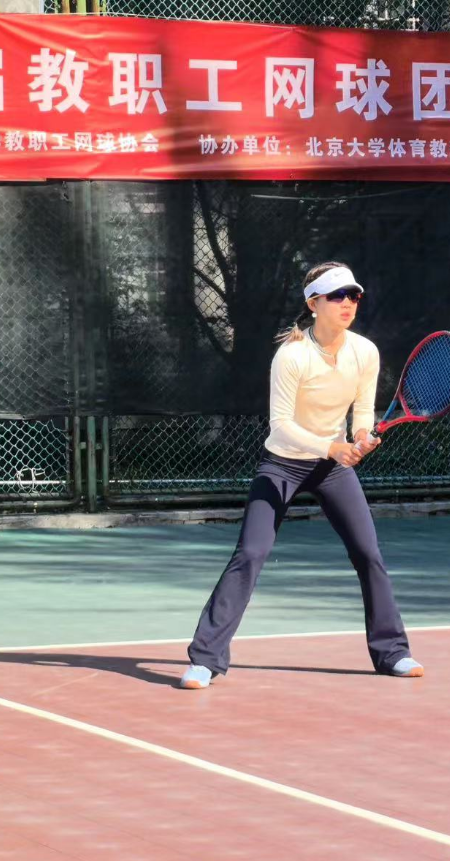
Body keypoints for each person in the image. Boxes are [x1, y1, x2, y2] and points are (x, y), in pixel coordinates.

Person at [180, 262, 423, 689]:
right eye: (337, 295)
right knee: (251, 552)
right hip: (282, 465)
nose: (348, 303)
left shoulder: (365, 352)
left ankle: (393, 653)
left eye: (353, 295)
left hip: (332, 470)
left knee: (368, 553)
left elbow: (362, 411)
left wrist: (361, 437)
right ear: (313, 303)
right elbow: (280, 425)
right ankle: (205, 659)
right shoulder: (292, 356)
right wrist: (331, 447)